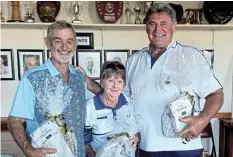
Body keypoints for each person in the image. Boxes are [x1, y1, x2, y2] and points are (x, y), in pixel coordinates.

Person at [79, 3, 224, 157]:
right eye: (152, 24)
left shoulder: (191, 56)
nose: (157, 30)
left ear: (174, 26)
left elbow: (216, 94)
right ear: (146, 27)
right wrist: (88, 82)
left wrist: (202, 119)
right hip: (145, 148)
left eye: (163, 24)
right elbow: (115, 95)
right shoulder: (133, 61)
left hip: (183, 148)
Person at [8, 20, 87, 157]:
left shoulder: (80, 78)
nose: (64, 46)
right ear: (48, 43)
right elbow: (14, 120)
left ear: (75, 44)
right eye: (58, 41)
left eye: (69, 41)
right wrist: (27, 148)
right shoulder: (32, 78)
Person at [84, 61, 140, 157]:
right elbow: (84, 140)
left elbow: (136, 128)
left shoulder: (129, 102)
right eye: (110, 81)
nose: (115, 86)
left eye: (119, 81)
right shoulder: (90, 107)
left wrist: (137, 137)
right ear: (102, 82)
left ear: (123, 84)